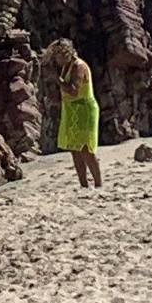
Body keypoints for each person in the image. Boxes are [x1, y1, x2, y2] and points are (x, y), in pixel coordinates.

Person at [47, 42, 103, 192]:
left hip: (83, 109)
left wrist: (57, 80)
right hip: (72, 110)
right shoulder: (67, 66)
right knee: (74, 148)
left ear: (65, 53)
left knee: (86, 149)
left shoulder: (79, 66)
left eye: (57, 56)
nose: (56, 60)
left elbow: (74, 91)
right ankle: (83, 184)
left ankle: (98, 184)